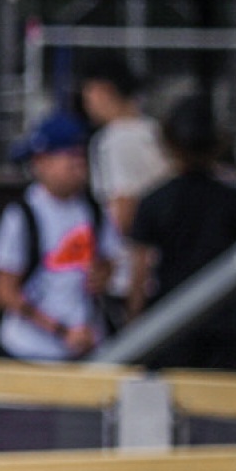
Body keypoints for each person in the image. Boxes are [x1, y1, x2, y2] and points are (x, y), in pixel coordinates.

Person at [128, 95, 236, 370]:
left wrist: (135, 320)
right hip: (224, 323)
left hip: (169, 322)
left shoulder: (155, 200)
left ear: (169, 143)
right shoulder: (235, 200)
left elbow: (139, 271)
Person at [0, 111, 124, 362]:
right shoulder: (22, 215)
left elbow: (110, 259)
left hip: (86, 347)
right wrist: (60, 331)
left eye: (79, 160)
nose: (78, 168)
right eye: (69, 160)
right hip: (29, 349)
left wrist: (102, 274)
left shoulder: (93, 210)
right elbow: (3, 291)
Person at [79, 55, 170, 323]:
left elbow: (123, 212)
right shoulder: (157, 133)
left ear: (103, 90)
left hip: (129, 277)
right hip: (167, 269)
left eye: (88, 95)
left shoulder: (112, 141)